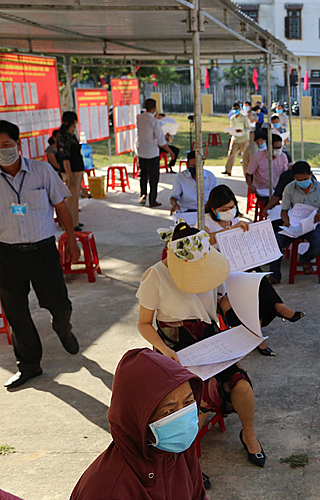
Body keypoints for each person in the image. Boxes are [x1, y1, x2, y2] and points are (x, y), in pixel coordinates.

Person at [136, 223, 267, 467]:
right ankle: (185, 461)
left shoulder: (210, 268)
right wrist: (165, 350)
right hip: (174, 347)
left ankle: (248, 434)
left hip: (210, 340)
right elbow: (144, 323)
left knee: (242, 387)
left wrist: (248, 292)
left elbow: (219, 306)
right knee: (200, 398)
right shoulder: (155, 275)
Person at [0, 120, 80, 390]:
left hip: (43, 251)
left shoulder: (42, 171)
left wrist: (71, 240)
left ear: (18, 144)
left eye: (6, 145)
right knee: (16, 313)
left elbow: (62, 206)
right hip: (6, 255)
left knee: (59, 303)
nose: (2, 150)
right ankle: (29, 365)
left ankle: (63, 327)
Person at [71, 348, 207, 499]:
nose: (182, 418)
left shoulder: (179, 453)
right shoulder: (108, 490)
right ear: (139, 420)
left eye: (188, 402)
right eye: (168, 412)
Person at [203, 185, 305, 355]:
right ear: (214, 209)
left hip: (238, 268)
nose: (229, 211)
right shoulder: (206, 220)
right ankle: (279, 308)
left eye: (231, 207)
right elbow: (204, 239)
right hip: (220, 275)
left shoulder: (235, 220)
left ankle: (260, 331)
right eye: (224, 209)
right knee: (254, 279)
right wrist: (229, 230)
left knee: (254, 276)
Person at [269, 161, 320, 283]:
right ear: (294, 178)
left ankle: (305, 258)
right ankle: (275, 275)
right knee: (276, 241)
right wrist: (286, 222)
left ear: (311, 174)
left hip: (314, 225)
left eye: (305, 179)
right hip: (294, 225)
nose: (303, 182)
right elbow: (284, 211)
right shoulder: (290, 188)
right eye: (299, 180)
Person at [136, 99, 175, 208]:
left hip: (141, 151)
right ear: (154, 108)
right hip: (152, 153)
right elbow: (161, 141)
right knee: (153, 178)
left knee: (143, 174)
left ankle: (143, 194)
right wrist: (170, 151)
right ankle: (152, 200)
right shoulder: (154, 122)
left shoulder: (138, 118)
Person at [55, 111, 85, 230]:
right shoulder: (64, 136)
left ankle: (75, 221)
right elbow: (65, 157)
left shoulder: (70, 134)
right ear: (74, 122)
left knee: (75, 198)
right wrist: (69, 175)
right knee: (70, 199)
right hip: (70, 170)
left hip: (76, 169)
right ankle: (70, 224)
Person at [245, 134, 288, 204]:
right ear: (268, 147)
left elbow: (285, 174)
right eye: (276, 148)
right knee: (270, 200)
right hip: (262, 188)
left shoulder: (283, 156)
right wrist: (250, 185)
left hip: (278, 187)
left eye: (280, 148)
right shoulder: (257, 157)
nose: (278, 150)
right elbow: (248, 173)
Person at [223, 102, 252, 176]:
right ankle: (228, 170)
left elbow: (248, 129)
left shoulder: (244, 117)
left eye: (237, 109)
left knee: (245, 156)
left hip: (244, 139)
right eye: (234, 109)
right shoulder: (232, 118)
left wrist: (241, 131)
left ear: (239, 109)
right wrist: (229, 131)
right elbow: (232, 128)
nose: (235, 110)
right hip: (235, 139)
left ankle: (247, 172)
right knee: (231, 154)